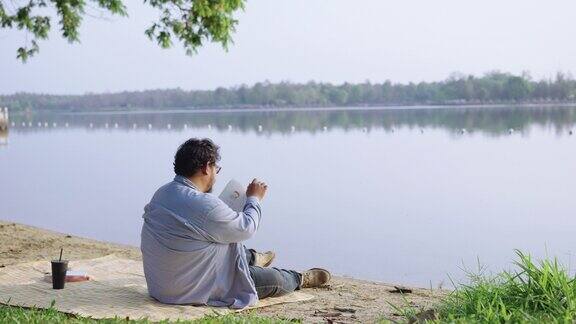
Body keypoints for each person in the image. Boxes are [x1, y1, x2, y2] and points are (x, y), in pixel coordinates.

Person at [140, 138, 330, 308]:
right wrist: (254, 199)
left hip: (160, 287)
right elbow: (247, 228)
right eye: (216, 169)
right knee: (275, 280)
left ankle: (253, 258)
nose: (216, 174)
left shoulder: (162, 193)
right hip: (190, 290)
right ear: (207, 167)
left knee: (223, 241)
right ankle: (300, 278)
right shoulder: (204, 204)